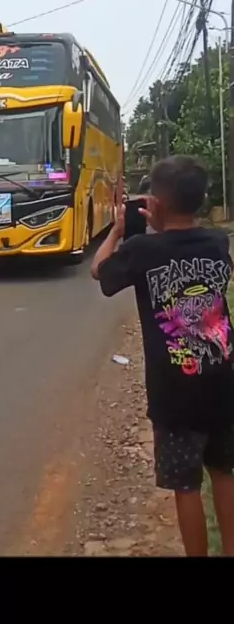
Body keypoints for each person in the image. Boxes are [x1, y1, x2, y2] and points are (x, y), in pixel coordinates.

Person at [91, 155, 234, 556]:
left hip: (175, 395)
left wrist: (118, 230)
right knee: (224, 473)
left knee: (186, 487)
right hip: (223, 382)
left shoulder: (142, 250)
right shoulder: (217, 242)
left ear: (154, 202)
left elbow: (100, 271)